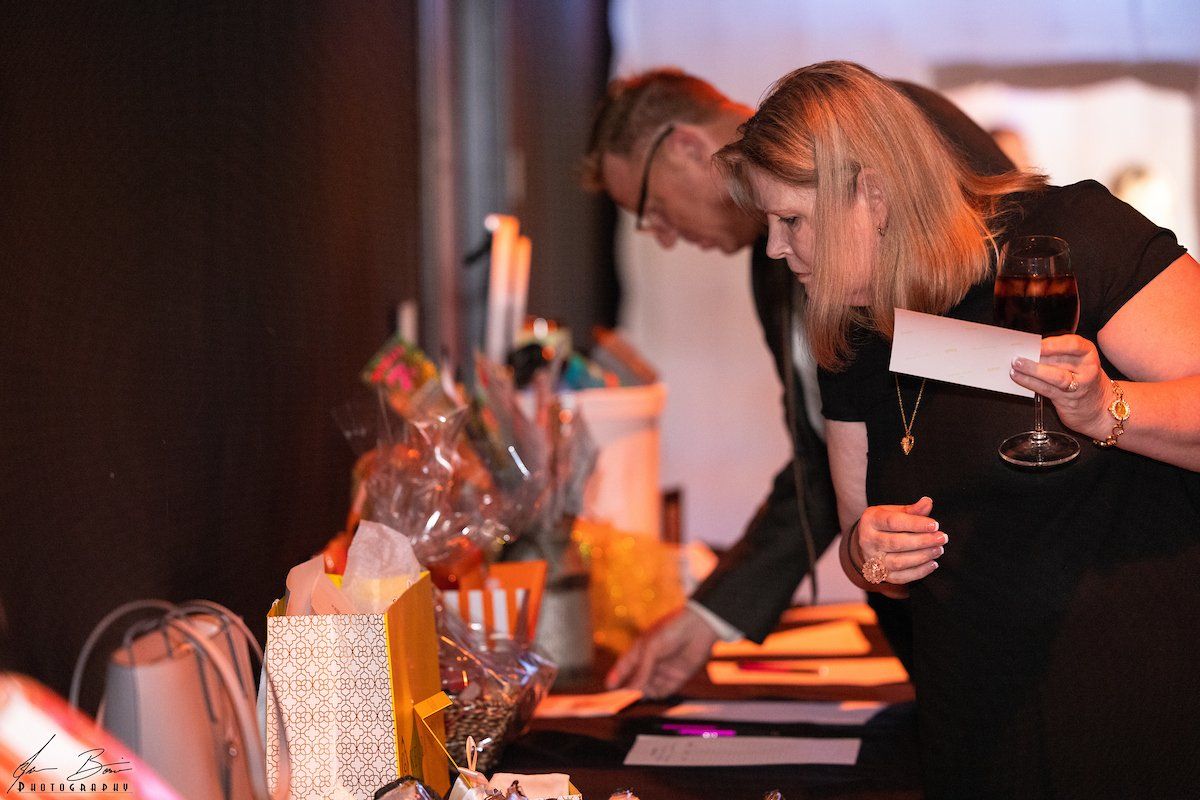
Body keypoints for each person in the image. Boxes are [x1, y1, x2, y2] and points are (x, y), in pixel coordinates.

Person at [715, 60, 1200, 798]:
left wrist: (1109, 412)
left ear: (871, 194)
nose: (777, 250)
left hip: (1139, 704)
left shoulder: (1072, 234)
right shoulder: (849, 327)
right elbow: (859, 543)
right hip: (974, 724)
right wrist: (870, 552)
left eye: (791, 221)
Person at [581, 69, 1013, 698]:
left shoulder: (890, 127)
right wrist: (711, 615)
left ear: (684, 147)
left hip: (994, 576)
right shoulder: (774, 260)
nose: (666, 239)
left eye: (652, 213)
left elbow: (1006, 336)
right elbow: (821, 451)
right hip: (915, 601)